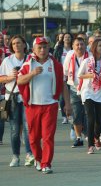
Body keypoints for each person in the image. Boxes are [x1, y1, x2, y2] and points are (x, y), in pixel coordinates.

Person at [17, 37, 72, 174]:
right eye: (39, 47)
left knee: (48, 137)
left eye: (45, 47)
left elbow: (63, 84)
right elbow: (19, 80)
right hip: (32, 106)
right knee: (34, 138)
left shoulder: (55, 64)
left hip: (50, 105)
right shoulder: (28, 64)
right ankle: (38, 159)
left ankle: (46, 163)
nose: (42, 50)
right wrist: (32, 73)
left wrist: (68, 103)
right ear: (34, 49)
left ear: (49, 48)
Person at [0, 35, 34, 167]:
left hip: (27, 96)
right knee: (14, 129)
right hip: (13, 97)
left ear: (25, 45)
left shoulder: (31, 59)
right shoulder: (7, 60)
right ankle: (15, 156)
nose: (16, 46)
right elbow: (1, 78)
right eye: (14, 44)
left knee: (27, 127)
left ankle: (29, 154)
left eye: (19, 43)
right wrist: (9, 77)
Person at [77, 39, 101, 154]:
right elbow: (80, 75)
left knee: (100, 120)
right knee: (91, 118)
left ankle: (96, 137)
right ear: (94, 47)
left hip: (100, 93)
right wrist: (90, 75)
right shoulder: (87, 61)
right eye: (100, 46)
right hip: (88, 92)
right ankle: (90, 145)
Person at [63, 37, 89, 148]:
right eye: (77, 44)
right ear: (73, 46)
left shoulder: (90, 56)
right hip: (74, 89)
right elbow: (65, 72)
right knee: (77, 114)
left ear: (85, 45)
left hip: (87, 89)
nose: (79, 47)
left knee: (88, 114)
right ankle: (79, 138)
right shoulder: (69, 55)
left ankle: (89, 135)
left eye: (82, 44)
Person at [53, 33, 73, 124]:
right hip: (62, 74)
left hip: (72, 74)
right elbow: (54, 59)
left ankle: (71, 114)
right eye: (65, 37)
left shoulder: (73, 49)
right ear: (62, 39)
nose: (67, 39)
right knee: (62, 97)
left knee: (72, 95)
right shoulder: (59, 49)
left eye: (69, 37)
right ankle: (64, 116)